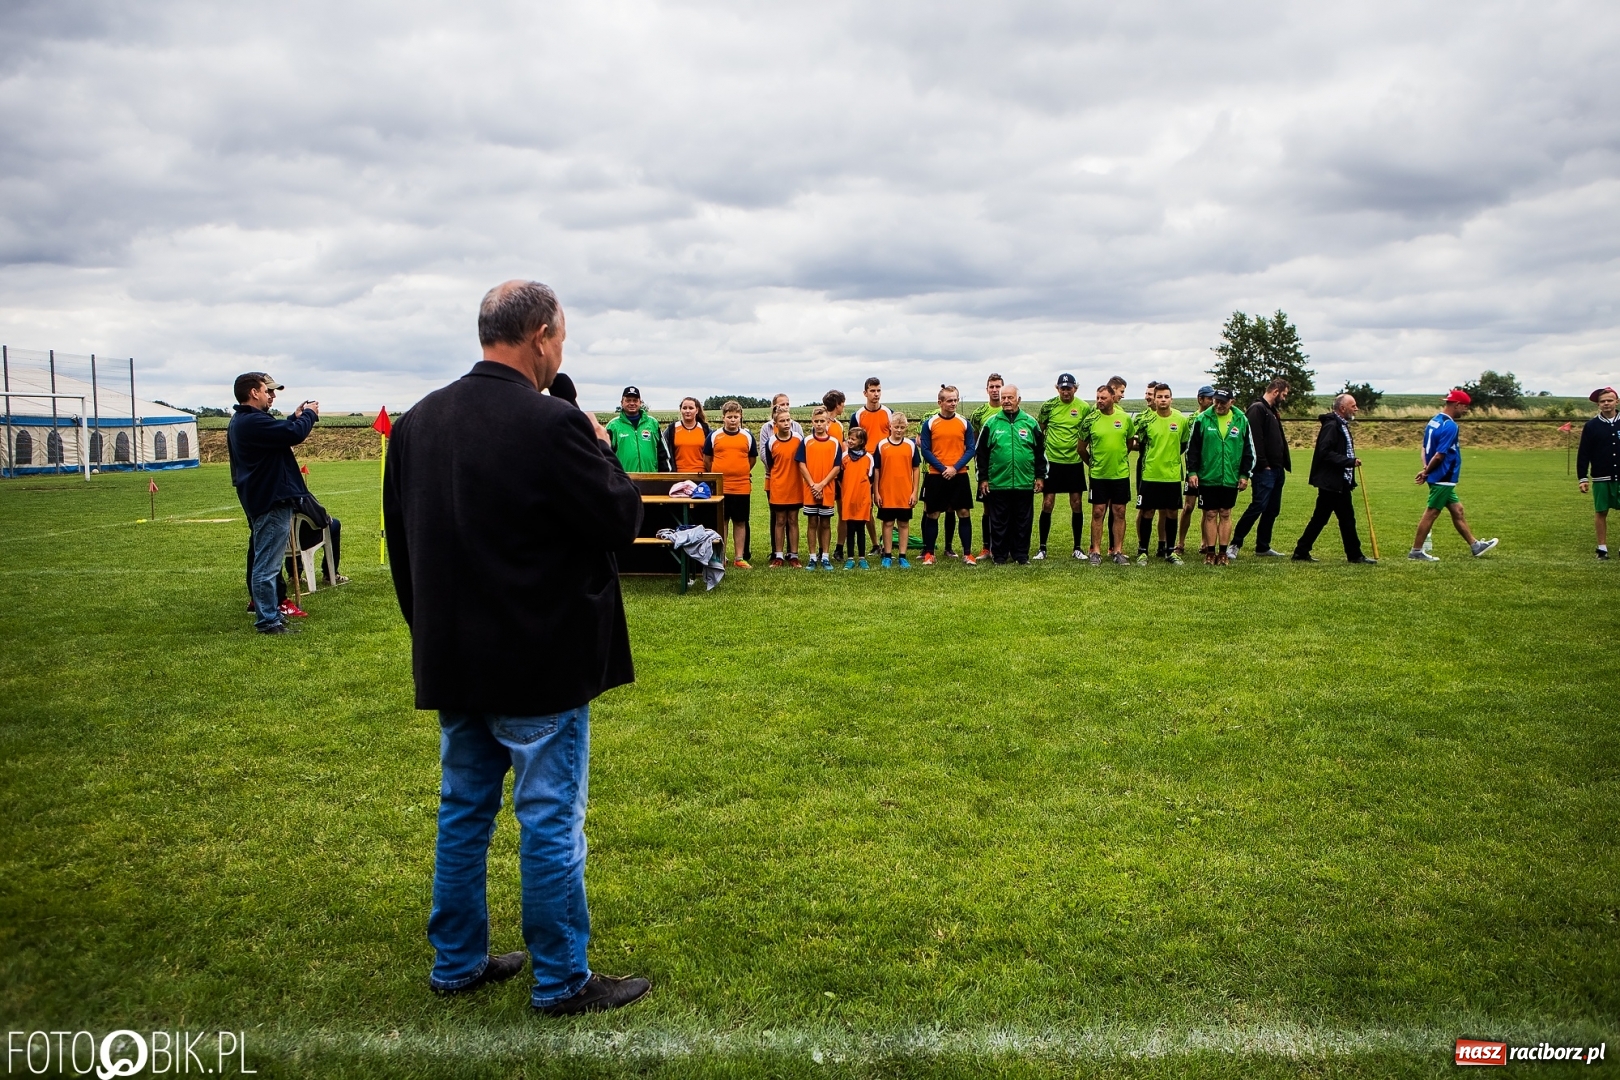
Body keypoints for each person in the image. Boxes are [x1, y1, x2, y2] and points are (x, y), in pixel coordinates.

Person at [382, 280, 650, 1016]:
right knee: (549, 818)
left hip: (454, 655)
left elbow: (403, 550)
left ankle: (457, 961)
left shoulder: (417, 424)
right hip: (540, 660)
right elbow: (618, 517)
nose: (561, 350)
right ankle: (562, 976)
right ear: (539, 336)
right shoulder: (552, 425)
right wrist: (598, 445)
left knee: (463, 812)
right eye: (560, 338)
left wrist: (432, 631)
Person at [227, 372, 319, 635]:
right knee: (267, 565)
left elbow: (280, 432)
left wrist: (295, 418)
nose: (272, 396)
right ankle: (268, 621)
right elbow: (292, 434)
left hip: (263, 498)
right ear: (253, 393)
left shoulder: (248, 421)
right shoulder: (251, 422)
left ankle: (270, 614)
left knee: (266, 562)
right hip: (270, 499)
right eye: (267, 391)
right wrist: (309, 415)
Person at [1409, 390, 1498, 560]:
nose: (1466, 411)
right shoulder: (1450, 426)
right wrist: (1427, 471)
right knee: (1432, 512)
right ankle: (1416, 551)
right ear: (1457, 404)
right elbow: (1440, 454)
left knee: (1458, 510)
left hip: (1439, 475)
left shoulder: (1434, 421)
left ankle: (1475, 546)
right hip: (1444, 476)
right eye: (1465, 407)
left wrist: (1425, 468)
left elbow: (1424, 448)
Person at [1291, 393, 1375, 564]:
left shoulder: (1341, 425)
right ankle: (1354, 555)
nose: (1356, 409)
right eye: (1353, 406)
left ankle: (1302, 551)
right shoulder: (1332, 426)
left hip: (1338, 482)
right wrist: (1349, 462)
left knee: (1324, 518)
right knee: (1345, 519)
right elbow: (1325, 452)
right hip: (1333, 482)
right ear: (1342, 408)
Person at [976, 384, 1045, 564]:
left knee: (1023, 522)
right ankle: (999, 555)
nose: (1006, 401)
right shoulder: (991, 423)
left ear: (1018, 400)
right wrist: (982, 478)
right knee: (999, 522)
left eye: (1010, 398)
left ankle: (1021, 555)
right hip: (998, 482)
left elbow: (1040, 452)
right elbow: (981, 454)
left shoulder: (1030, 423)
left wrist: (1039, 476)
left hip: (1024, 481)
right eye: (1003, 398)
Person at [1186, 388, 1254, 565]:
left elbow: (1249, 450)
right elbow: (1192, 449)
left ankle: (1223, 552)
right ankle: (1210, 552)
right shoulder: (1202, 419)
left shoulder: (1241, 420)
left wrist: (1245, 474)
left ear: (1232, 402)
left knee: (1225, 513)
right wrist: (1192, 472)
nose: (1219, 405)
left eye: (1223, 402)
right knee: (1210, 513)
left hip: (1230, 476)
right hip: (1208, 475)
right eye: (1216, 401)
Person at [1230, 377, 1292, 559]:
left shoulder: (1271, 410)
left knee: (1272, 509)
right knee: (1258, 506)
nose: (1285, 398)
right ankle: (1235, 543)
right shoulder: (1257, 409)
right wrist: (1263, 464)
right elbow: (1254, 439)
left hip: (1278, 469)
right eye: (1284, 394)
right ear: (1276, 391)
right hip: (1265, 470)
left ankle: (1263, 546)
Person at [918, 385, 978, 566]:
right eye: (949, 400)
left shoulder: (964, 423)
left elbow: (971, 449)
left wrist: (955, 467)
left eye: (955, 400)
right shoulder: (929, 423)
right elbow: (926, 450)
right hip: (936, 475)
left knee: (963, 512)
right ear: (940, 402)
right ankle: (929, 553)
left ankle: (967, 554)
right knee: (933, 513)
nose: (953, 403)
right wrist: (943, 468)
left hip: (959, 475)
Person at [1133, 384, 1192, 564]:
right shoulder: (1146, 421)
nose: (1163, 400)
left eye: (1166, 397)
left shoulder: (1181, 420)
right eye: (1160, 397)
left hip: (1172, 475)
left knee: (1172, 512)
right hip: (1150, 473)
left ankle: (1170, 552)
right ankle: (1143, 551)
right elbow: (1140, 445)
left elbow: (1183, 444)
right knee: (1147, 512)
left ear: (1171, 399)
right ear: (1154, 399)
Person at [1036, 373, 1091, 561]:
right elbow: (1039, 430)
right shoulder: (1049, 406)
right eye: (1062, 388)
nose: (1065, 391)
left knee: (1076, 503)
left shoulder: (1084, 407)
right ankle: (1042, 548)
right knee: (1048, 503)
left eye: (1069, 388)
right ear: (1057, 388)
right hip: (1053, 462)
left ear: (1075, 388)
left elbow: (1088, 432)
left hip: (1074, 462)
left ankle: (1077, 548)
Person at [1079, 385, 1133, 565]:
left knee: (1120, 511)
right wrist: (1093, 464)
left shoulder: (1125, 418)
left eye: (1103, 398)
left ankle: (1117, 550)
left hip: (1120, 474)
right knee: (1098, 512)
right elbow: (1081, 448)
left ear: (1112, 398)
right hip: (1098, 475)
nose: (1099, 401)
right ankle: (1095, 551)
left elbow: (1129, 442)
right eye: (1098, 398)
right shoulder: (1090, 420)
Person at [704, 401, 757, 568]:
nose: (733, 420)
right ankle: (721, 556)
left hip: (741, 487)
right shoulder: (714, 436)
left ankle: (739, 557)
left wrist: (739, 471)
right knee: (723, 521)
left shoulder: (747, 436)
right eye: (729, 417)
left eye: (736, 417)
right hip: (721, 487)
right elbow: (707, 460)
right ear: (723, 418)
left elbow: (752, 459)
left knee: (740, 521)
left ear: (740, 417)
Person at [796, 406, 844, 569]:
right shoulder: (806, 441)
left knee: (825, 523)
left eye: (822, 421)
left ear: (828, 423)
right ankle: (812, 557)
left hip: (827, 490)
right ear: (812, 422)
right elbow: (801, 464)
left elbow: (837, 467)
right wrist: (813, 485)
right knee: (812, 523)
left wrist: (822, 485)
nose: (819, 424)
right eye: (816, 421)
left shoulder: (835, 443)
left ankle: (825, 556)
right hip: (810, 490)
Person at [1577, 386, 1620, 560]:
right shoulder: (1591, 426)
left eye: (1609, 400)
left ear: (1616, 401)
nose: (1606, 404)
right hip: (1601, 476)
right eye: (1602, 401)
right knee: (1601, 511)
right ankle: (1602, 548)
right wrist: (1582, 477)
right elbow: (1584, 453)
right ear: (1598, 404)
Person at [874, 412, 920, 567]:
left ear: (906, 427)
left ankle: (902, 555)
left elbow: (915, 469)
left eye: (902, 427)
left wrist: (914, 492)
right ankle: (887, 555)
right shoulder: (881, 445)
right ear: (890, 426)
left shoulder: (911, 445)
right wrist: (876, 492)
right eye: (896, 427)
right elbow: (877, 470)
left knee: (903, 523)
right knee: (887, 523)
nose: (899, 430)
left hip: (904, 492)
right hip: (886, 492)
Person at [1175, 386, 1216, 557]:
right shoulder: (1191, 419)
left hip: (1209, 471)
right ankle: (1180, 543)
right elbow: (1184, 445)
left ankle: (1205, 542)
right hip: (1193, 470)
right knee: (1189, 506)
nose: (1212, 402)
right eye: (1209, 398)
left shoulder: (1214, 419)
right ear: (1200, 399)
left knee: (1208, 509)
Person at [762, 406, 803, 568]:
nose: (786, 423)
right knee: (779, 520)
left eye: (788, 420)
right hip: (778, 486)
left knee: (793, 520)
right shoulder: (771, 441)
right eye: (782, 421)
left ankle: (793, 555)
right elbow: (771, 465)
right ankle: (778, 556)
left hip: (795, 486)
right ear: (775, 424)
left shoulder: (799, 439)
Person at [969, 373, 1005, 559]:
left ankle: (1004, 547)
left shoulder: (1009, 409)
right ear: (987, 389)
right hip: (987, 471)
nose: (995, 390)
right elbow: (976, 442)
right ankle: (986, 547)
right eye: (991, 387)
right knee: (988, 508)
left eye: (998, 386)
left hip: (1006, 470)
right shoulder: (979, 414)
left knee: (1007, 508)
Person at [1130, 381, 1160, 561]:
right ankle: (1143, 545)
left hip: (1167, 468)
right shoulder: (1141, 418)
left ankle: (1164, 545)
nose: (1147, 397)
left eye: (1151, 394)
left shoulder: (1174, 417)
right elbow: (1132, 440)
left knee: (1166, 509)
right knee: (1144, 508)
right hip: (1145, 467)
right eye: (1147, 393)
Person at [604, 387, 665, 472]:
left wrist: (663, 477)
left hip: (651, 478)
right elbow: (605, 455)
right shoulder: (612, 426)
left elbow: (663, 454)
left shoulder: (653, 423)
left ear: (640, 402)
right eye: (628, 400)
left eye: (635, 400)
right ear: (622, 403)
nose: (632, 403)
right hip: (624, 479)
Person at [840, 427, 877, 568]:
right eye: (848, 438)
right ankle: (850, 558)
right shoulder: (844, 457)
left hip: (863, 499)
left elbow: (871, 478)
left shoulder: (868, 458)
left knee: (861, 529)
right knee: (850, 529)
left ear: (861, 441)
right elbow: (840, 477)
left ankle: (862, 558)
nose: (849, 441)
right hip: (848, 499)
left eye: (853, 439)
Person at [661, 396, 710, 473]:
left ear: (697, 410)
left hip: (701, 476)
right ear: (680, 410)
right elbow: (662, 450)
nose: (687, 411)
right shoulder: (672, 429)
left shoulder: (705, 430)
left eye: (691, 408)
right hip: (678, 476)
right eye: (684, 408)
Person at [853, 377, 893, 454]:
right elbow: (853, 440)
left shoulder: (889, 413)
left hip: (885, 455)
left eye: (878, 390)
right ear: (865, 393)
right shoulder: (857, 415)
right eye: (872, 391)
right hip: (866, 456)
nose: (876, 394)